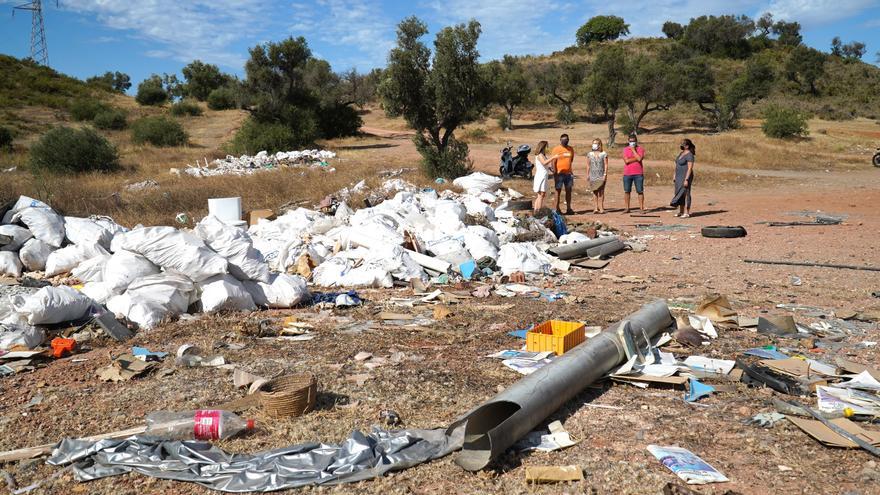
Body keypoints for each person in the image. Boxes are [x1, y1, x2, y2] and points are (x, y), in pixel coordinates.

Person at [670, 138, 695, 217]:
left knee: (686, 193)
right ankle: (681, 211)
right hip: (678, 176)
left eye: (683, 144)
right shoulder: (681, 153)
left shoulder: (690, 155)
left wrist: (686, 179)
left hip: (685, 176)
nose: (681, 145)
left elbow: (690, 168)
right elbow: (677, 165)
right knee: (679, 193)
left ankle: (687, 212)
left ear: (687, 146)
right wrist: (674, 175)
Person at [622, 132, 646, 213]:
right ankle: (627, 208)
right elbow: (626, 161)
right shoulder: (625, 149)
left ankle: (641, 208)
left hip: (638, 173)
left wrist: (633, 150)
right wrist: (635, 158)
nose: (632, 143)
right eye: (630, 141)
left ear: (636, 141)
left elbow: (639, 159)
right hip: (627, 173)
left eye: (633, 141)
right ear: (628, 141)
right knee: (627, 191)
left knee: (640, 191)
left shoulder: (640, 149)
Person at [551, 134, 575, 215]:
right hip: (559, 174)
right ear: (560, 140)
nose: (566, 141)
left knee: (569, 191)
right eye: (564, 139)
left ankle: (568, 208)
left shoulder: (570, 149)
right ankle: (557, 209)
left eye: (567, 139)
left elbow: (571, 160)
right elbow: (553, 162)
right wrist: (555, 172)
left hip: (568, 174)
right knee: (558, 191)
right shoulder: (556, 149)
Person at [532, 140, 557, 212]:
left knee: (541, 195)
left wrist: (550, 168)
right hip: (541, 176)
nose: (547, 148)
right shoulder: (539, 155)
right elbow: (544, 162)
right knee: (541, 195)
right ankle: (538, 211)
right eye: (547, 147)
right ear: (543, 147)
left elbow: (545, 165)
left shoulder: (543, 155)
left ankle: (536, 211)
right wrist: (553, 157)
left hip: (543, 176)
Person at [587, 138, 609, 213]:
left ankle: (601, 207)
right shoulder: (590, 154)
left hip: (601, 174)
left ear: (599, 145)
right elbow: (588, 165)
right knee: (595, 191)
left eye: (596, 143)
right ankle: (595, 208)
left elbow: (606, 164)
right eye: (593, 143)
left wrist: (605, 174)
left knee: (601, 192)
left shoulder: (604, 154)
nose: (594, 145)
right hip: (592, 175)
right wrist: (588, 174)